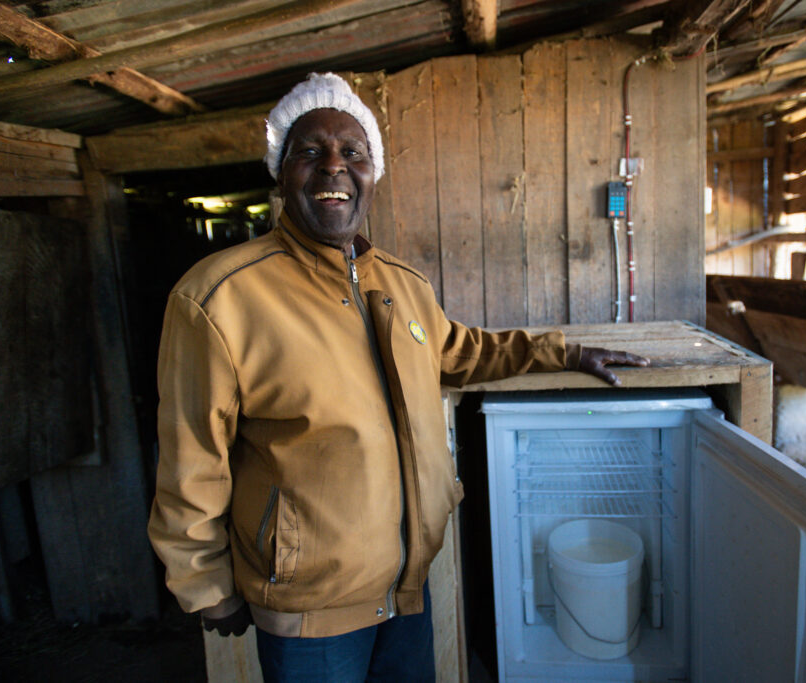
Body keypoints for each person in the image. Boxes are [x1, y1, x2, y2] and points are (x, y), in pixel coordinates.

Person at [147, 72, 648, 683]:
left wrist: (562, 354)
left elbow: (459, 350)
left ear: (372, 173)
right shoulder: (220, 297)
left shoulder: (402, 284)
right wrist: (204, 584)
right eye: (310, 151)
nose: (334, 166)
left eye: (352, 152)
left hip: (408, 588)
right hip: (311, 610)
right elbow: (190, 454)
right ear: (281, 172)